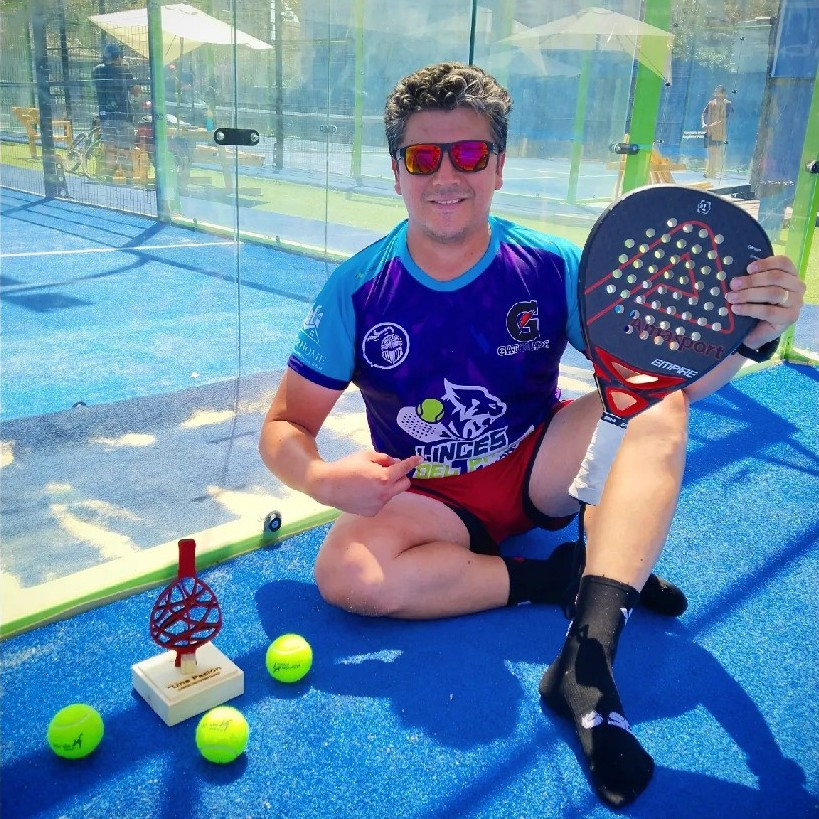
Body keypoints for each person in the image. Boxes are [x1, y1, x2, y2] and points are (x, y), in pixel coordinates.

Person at [258, 63, 805, 807]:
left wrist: (753, 338)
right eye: (422, 157)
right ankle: (563, 577)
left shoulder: (549, 265)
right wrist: (322, 479)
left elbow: (665, 385)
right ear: (396, 172)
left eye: (469, 153)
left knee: (655, 406)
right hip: (428, 500)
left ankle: (586, 662)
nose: (446, 175)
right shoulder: (357, 288)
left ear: (499, 166)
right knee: (346, 577)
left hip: (539, 469)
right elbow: (286, 426)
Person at [91, 42, 141, 181]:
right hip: (123, 115)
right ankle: (129, 179)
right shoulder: (124, 71)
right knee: (125, 149)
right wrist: (125, 68)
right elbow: (135, 91)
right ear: (118, 56)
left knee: (110, 148)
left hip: (105, 116)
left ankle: (108, 178)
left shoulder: (97, 71)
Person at [702, 85, 733, 179]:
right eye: (716, 92)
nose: (717, 94)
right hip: (709, 131)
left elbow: (725, 118)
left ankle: (718, 172)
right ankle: (709, 172)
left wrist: (712, 125)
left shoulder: (727, 104)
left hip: (719, 133)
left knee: (718, 152)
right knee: (710, 152)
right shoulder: (710, 103)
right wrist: (704, 124)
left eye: (720, 92)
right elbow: (704, 114)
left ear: (723, 94)